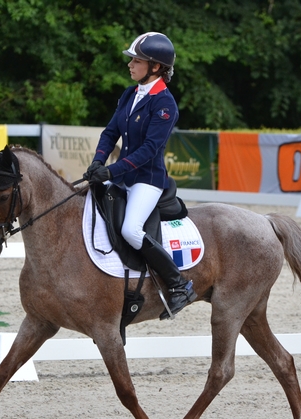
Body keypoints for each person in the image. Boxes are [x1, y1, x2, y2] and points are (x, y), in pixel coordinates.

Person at [85, 32, 197, 319]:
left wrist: (111, 170)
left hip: (147, 180)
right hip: (121, 175)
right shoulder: (130, 95)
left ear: (156, 67)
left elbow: (149, 150)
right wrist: (98, 162)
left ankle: (178, 284)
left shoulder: (165, 104)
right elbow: (110, 133)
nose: (130, 65)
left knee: (131, 230)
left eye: (137, 60)